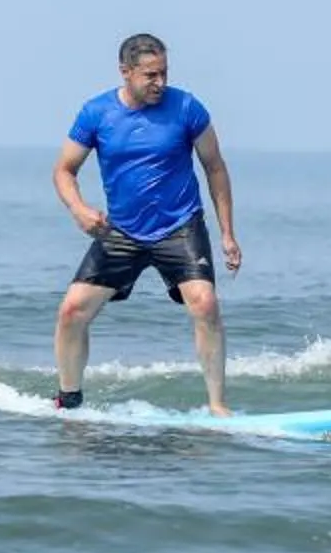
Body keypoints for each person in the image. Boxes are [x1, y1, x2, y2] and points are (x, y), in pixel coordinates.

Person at [51, 32, 242, 416]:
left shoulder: (187, 108)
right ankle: (69, 400)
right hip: (120, 230)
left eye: (164, 73)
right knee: (72, 311)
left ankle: (218, 406)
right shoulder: (97, 113)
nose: (160, 83)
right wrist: (79, 209)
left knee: (205, 304)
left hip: (180, 226)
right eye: (150, 75)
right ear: (125, 72)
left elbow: (215, 168)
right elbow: (64, 170)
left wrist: (227, 234)